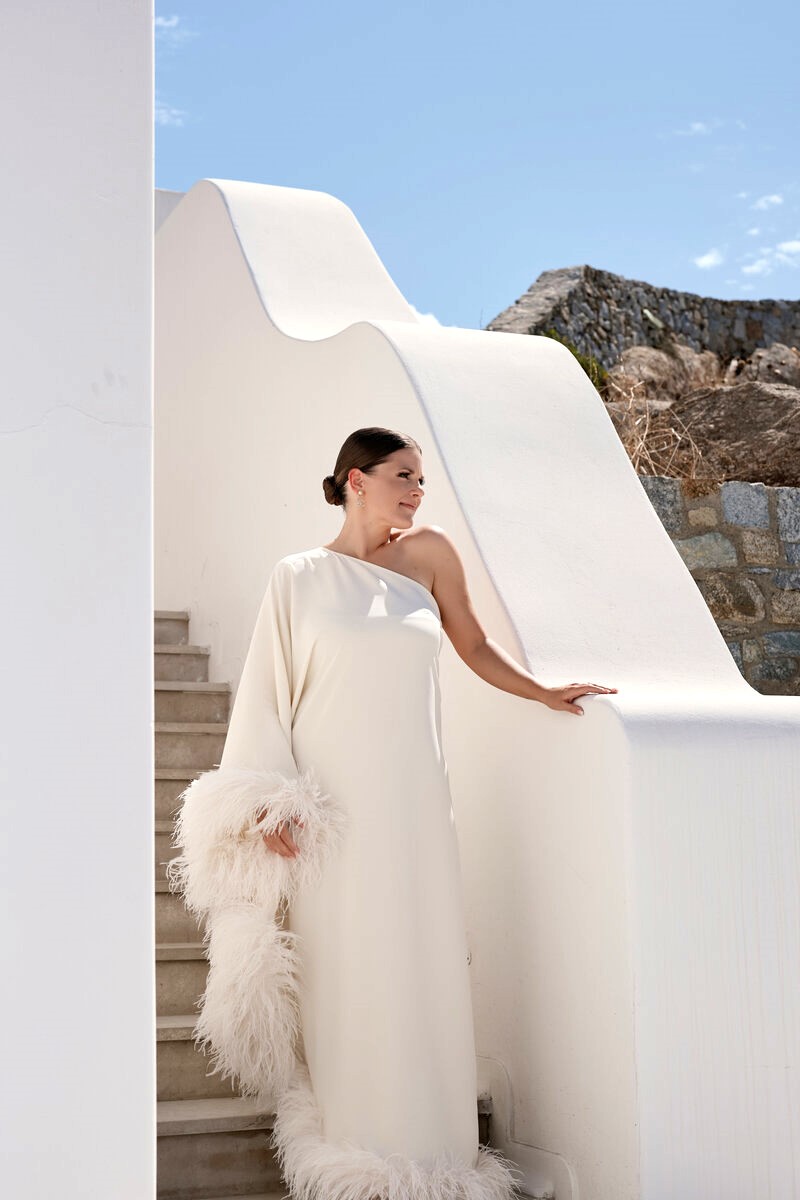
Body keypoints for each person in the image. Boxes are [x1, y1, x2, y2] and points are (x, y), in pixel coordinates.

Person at [167, 426, 617, 1200]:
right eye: (402, 475)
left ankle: (435, 1154)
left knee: (420, 963)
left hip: (413, 807)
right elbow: (268, 692)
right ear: (353, 481)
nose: (416, 489)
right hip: (330, 818)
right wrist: (270, 802)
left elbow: (471, 646)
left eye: (420, 478)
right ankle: (356, 1150)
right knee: (349, 971)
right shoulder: (299, 577)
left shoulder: (431, 555)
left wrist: (543, 691)